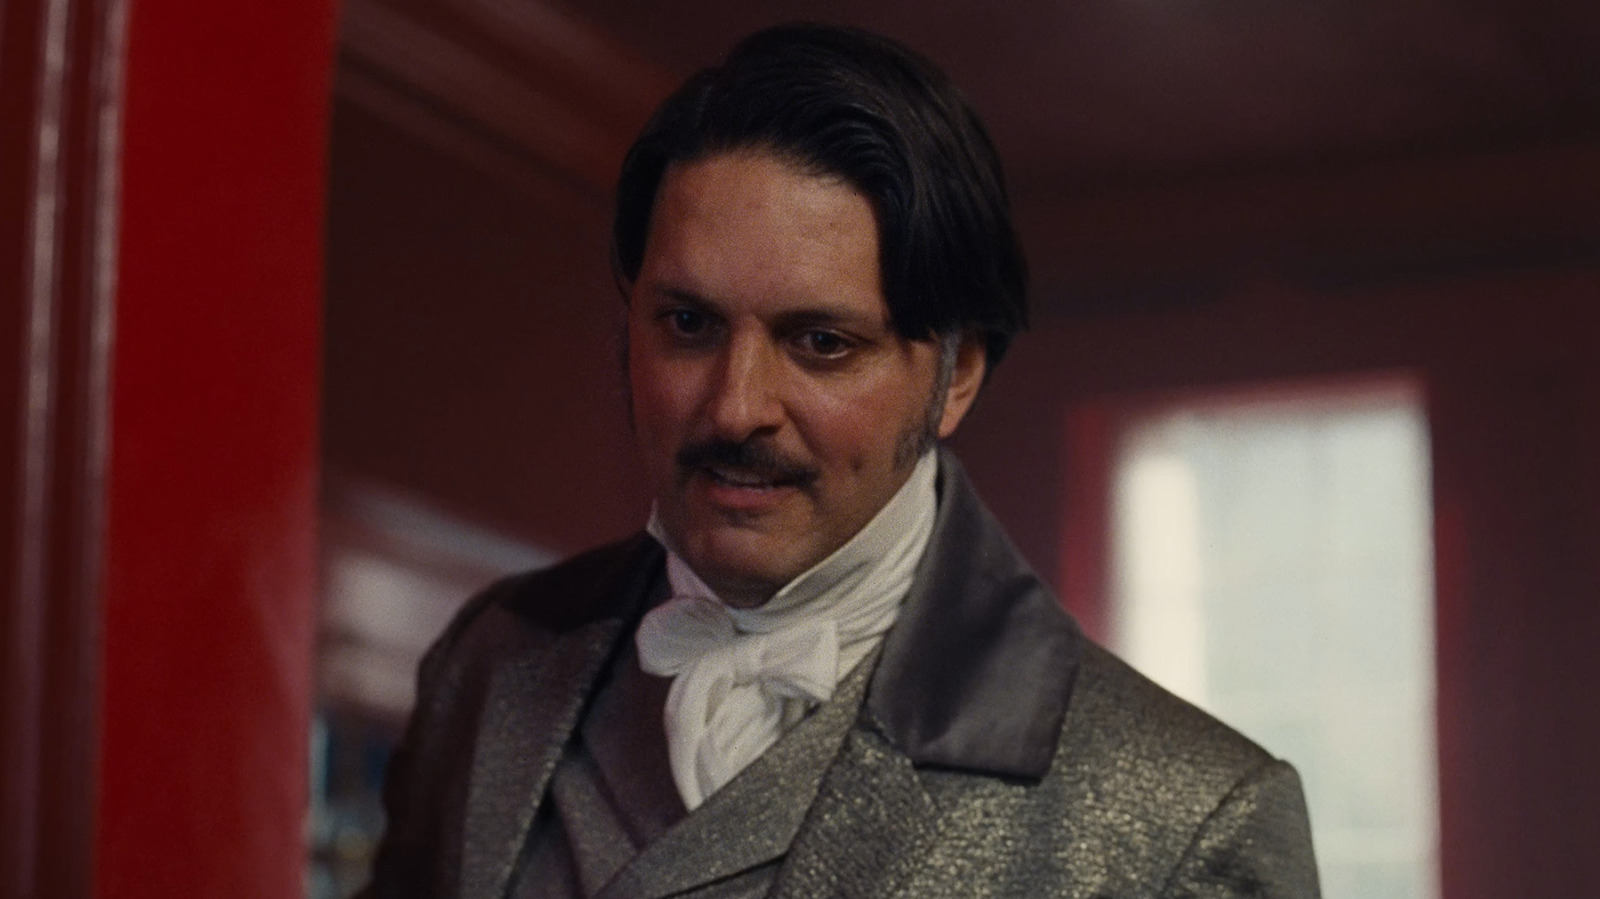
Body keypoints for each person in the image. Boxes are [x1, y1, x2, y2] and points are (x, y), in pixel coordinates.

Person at [362, 23, 1321, 899]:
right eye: (688, 324)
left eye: (821, 343)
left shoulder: (1189, 822)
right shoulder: (492, 664)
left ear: (956, 375)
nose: (736, 407)